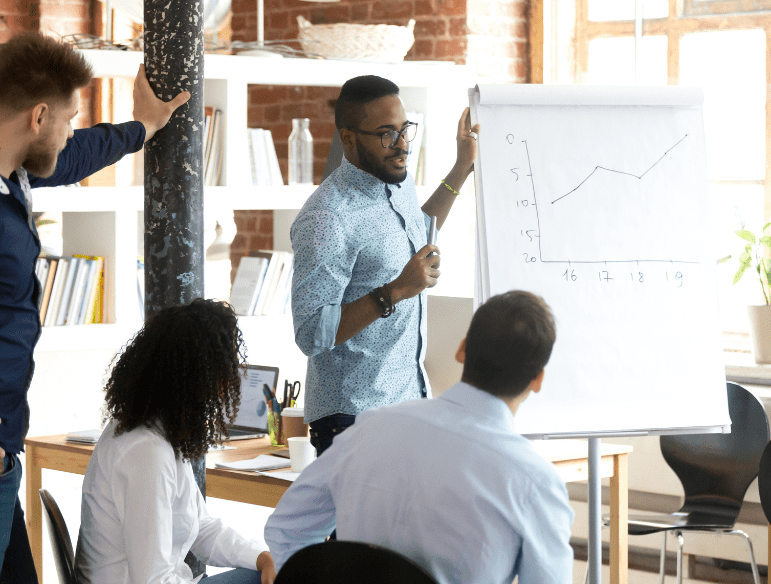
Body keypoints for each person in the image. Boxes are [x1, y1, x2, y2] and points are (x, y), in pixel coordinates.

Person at [0, 32, 189, 581]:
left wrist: (143, 127)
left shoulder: (17, 168)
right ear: (39, 116)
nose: (70, 133)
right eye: (69, 119)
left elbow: (75, 153)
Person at [265, 290, 574, 584]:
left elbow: (287, 527)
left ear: (462, 349)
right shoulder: (534, 481)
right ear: (537, 380)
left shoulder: (371, 428)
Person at [289, 74, 480, 454]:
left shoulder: (395, 180)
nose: (402, 144)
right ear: (348, 138)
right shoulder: (328, 216)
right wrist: (397, 291)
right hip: (353, 419)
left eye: (404, 129)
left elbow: (416, 229)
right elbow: (311, 333)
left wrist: (462, 167)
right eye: (386, 133)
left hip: (408, 401)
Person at [73, 299, 275, 584]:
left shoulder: (156, 430)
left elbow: (202, 527)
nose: (229, 381)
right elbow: (152, 580)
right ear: (196, 376)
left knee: (269, 570)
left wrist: (262, 557)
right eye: (224, 368)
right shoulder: (146, 451)